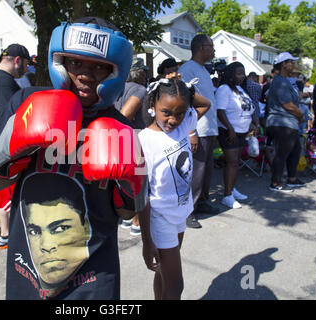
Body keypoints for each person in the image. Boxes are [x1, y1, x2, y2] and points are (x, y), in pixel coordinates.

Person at [0, 17, 147, 300]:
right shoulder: (25, 102)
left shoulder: (122, 129)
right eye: (76, 63)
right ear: (61, 63)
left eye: (99, 67)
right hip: (28, 269)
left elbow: (127, 212)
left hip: (94, 274)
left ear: (115, 72)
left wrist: (125, 177)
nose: (86, 75)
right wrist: (20, 145)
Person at [138, 78, 210, 299]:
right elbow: (142, 196)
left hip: (180, 212)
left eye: (180, 113)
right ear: (152, 105)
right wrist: (146, 241)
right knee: (176, 285)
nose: (173, 119)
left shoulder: (185, 123)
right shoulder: (144, 141)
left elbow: (204, 104)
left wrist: (185, 87)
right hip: (159, 218)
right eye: (166, 112)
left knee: (164, 274)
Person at [0, 43, 30, 250]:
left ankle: (5, 236)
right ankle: (14, 238)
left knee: (3, 198)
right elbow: (12, 116)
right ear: (17, 60)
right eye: (26, 64)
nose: (27, 69)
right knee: (10, 196)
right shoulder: (2, 82)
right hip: (5, 147)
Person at [178, 34, 219, 228]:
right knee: (195, 172)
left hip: (209, 129)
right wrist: (191, 132)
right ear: (202, 48)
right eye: (211, 46)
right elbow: (185, 102)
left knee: (206, 171)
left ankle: (202, 202)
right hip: (198, 130)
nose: (213, 50)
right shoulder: (187, 70)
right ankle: (188, 211)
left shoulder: (203, 70)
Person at [216, 62, 259, 209]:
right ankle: (227, 196)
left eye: (243, 73)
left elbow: (251, 109)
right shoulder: (224, 89)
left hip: (243, 131)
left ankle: (232, 189)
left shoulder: (241, 89)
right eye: (239, 73)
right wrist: (230, 129)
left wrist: (256, 124)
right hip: (229, 132)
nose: (243, 76)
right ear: (231, 74)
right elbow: (220, 111)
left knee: (237, 162)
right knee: (232, 162)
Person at [114, 57, 147, 236]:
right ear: (139, 73)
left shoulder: (116, 88)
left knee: (125, 181)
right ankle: (136, 222)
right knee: (140, 184)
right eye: (144, 71)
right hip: (135, 140)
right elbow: (125, 115)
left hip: (118, 139)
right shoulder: (140, 89)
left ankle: (127, 219)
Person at [266, 52, 305, 192]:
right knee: (282, 153)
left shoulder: (285, 80)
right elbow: (287, 104)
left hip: (289, 123)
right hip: (282, 123)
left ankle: (292, 179)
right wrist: (301, 116)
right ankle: (275, 183)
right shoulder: (280, 81)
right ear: (283, 64)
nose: (293, 65)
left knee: (295, 150)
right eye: (291, 62)